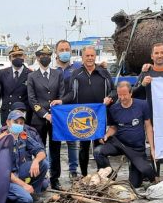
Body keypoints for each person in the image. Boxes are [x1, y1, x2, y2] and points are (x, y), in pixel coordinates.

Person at [62, 46, 114, 176]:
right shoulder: (76, 73)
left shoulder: (103, 72)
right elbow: (71, 94)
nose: (90, 58)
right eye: (87, 56)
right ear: (82, 57)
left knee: (99, 146)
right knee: (83, 147)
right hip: (82, 116)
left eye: (92, 56)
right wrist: (61, 101)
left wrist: (110, 97)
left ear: (95, 56)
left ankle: (102, 174)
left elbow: (113, 91)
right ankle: (84, 175)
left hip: (100, 116)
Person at [94, 81, 157, 188]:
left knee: (136, 183)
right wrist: (106, 135)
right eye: (120, 95)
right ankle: (110, 173)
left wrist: (152, 148)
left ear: (131, 93)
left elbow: (148, 126)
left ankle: (135, 166)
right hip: (120, 144)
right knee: (98, 151)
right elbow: (113, 127)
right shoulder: (114, 108)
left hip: (136, 148)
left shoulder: (142, 104)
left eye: (125, 94)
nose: (122, 98)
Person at [131, 42, 163, 178]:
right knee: (155, 144)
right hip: (151, 114)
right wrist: (143, 84)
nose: (159, 55)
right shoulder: (146, 71)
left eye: (162, 53)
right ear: (152, 56)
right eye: (156, 53)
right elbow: (133, 92)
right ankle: (156, 175)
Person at [26, 45, 66, 189]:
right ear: (37, 58)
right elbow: (32, 99)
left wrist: (57, 110)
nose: (45, 58)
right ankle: (40, 179)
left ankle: (55, 179)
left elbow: (62, 93)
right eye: (42, 55)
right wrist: (45, 114)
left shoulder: (58, 73)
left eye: (48, 55)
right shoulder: (31, 76)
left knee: (55, 150)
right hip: (39, 119)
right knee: (39, 149)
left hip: (56, 119)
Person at [1, 110, 49, 203]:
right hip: (5, 178)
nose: (18, 125)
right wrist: (24, 185)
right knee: (26, 200)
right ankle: (1, 201)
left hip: (19, 172)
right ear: (8, 122)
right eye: (16, 122)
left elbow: (41, 151)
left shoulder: (23, 136)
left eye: (21, 123)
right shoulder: (1, 140)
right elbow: (4, 171)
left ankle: (34, 193)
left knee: (43, 164)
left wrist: (36, 161)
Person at [53, 40, 82, 182]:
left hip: (72, 109)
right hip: (56, 111)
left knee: (72, 142)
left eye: (67, 49)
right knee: (54, 143)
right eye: (61, 49)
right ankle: (53, 173)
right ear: (56, 52)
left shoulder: (77, 67)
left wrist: (102, 66)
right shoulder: (52, 70)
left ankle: (73, 170)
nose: (64, 51)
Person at [0, 45, 33, 123]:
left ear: (24, 56)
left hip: (23, 113)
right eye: (14, 56)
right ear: (10, 58)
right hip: (7, 113)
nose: (17, 58)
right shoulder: (3, 73)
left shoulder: (31, 74)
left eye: (20, 55)